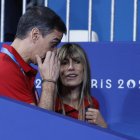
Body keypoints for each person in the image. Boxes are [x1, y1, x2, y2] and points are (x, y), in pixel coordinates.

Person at [0, 6, 66, 110]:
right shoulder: (6, 69)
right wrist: (49, 81)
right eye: (53, 44)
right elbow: (38, 123)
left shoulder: (17, 67)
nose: (54, 51)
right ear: (35, 35)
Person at [54, 43, 107, 128]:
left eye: (77, 62)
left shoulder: (92, 103)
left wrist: (103, 127)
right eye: (64, 63)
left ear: (84, 68)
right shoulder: (50, 104)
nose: (71, 67)